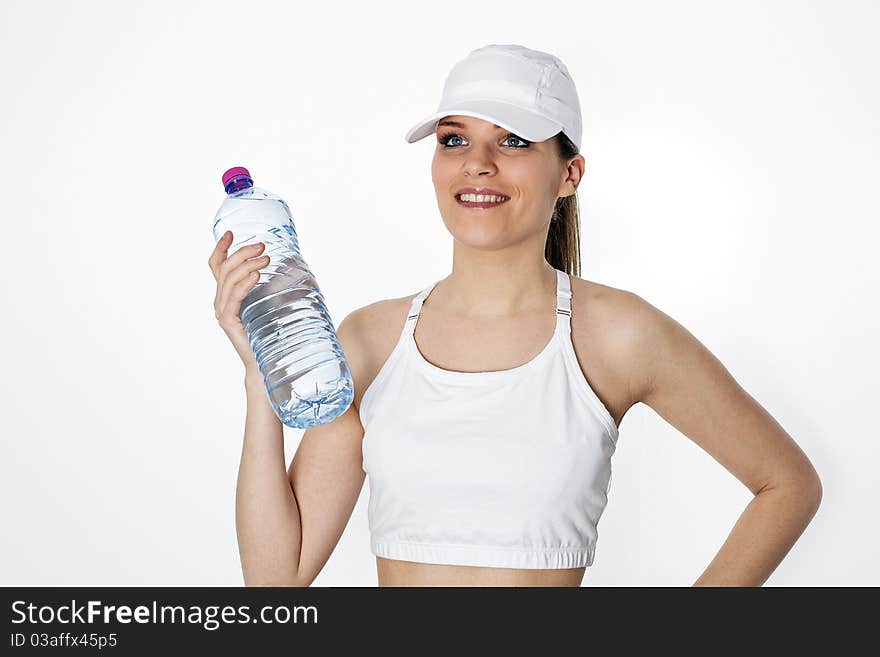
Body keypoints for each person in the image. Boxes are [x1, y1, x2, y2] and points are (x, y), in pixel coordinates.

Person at [208, 44, 822, 587]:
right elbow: (275, 577)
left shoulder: (616, 334)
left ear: (569, 174)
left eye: (513, 140)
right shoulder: (371, 339)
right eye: (454, 139)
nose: (477, 162)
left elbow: (786, 484)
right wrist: (263, 370)